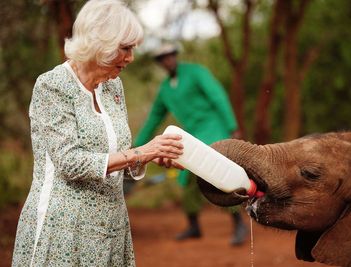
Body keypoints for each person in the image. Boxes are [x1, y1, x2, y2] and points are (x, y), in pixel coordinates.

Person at [12, 1, 183, 266]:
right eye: (125, 48)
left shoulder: (113, 87)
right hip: (64, 230)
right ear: (100, 42)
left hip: (111, 227)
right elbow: (71, 163)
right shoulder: (52, 86)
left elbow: (116, 158)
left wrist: (153, 155)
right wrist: (142, 151)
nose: (131, 57)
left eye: (133, 48)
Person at [134, 43, 248, 246]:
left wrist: (232, 126)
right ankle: (194, 225)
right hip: (192, 134)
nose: (167, 60)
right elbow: (154, 118)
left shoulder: (196, 73)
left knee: (216, 174)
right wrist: (135, 148)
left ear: (175, 55)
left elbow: (218, 96)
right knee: (186, 176)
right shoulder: (165, 90)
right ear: (160, 63)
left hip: (213, 127)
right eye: (163, 58)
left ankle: (239, 223)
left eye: (170, 55)